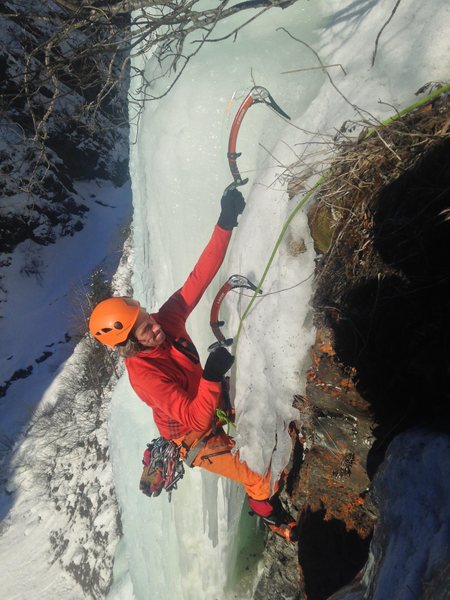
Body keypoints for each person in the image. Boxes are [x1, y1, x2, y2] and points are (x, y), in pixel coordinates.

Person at [89, 187, 297, 542]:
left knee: (269, 414)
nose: (156, 326)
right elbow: (195, 418)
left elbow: (198, 278)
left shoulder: (164, 319)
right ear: (129, 345)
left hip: (207, 400)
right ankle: (274, 519)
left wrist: (224, 223)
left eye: (147, 317)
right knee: (258, 478)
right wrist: (213, 376)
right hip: (192, 435)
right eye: (145, 328)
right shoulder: (145, 378)